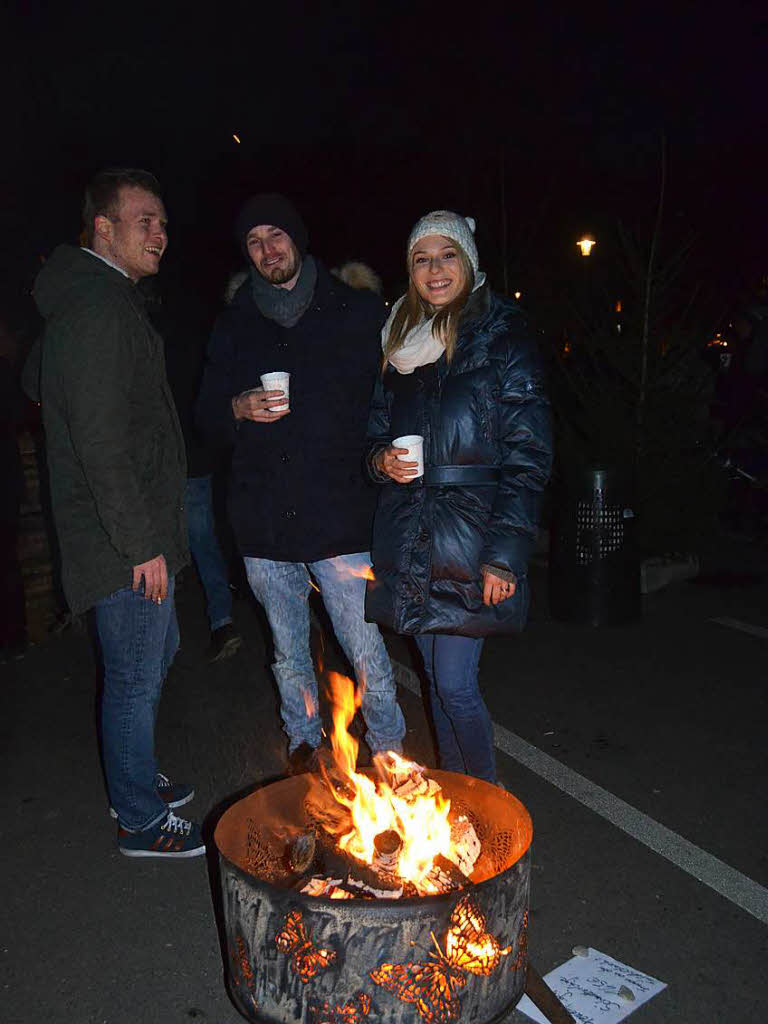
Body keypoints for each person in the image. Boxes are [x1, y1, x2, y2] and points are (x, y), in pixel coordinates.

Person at [26, 169, 204, 857]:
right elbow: (100, 441)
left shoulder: (94, 301)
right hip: (119, 537)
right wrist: (139, 543)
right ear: (103, 227)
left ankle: (136, 775)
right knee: (133, 673)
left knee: (158, 651)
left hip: (128, 527)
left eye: (163, 222)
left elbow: (34, 377)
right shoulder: (98, 309)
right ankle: (138, 819)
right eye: (144, 221)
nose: (160, 234)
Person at [197, 193, 406, 772]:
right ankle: (305, 749)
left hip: (340, 514)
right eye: (254, 242)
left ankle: (392, 755)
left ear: (298, 238)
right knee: (288, 653)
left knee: (364, 648)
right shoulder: (234, 324)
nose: (267, 249)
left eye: (276, 235)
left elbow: (393, 399)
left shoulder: (356, 312)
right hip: (263, 522)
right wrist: (235, 407)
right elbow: (204, 416)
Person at [365, 210, 552, 784]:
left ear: (468, 262)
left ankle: (492, 811)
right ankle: (456, 799)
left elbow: (528, 454)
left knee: (454, 685)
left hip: (470, 539)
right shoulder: (399, 341)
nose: (435, 269)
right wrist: (379, 461)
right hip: (409, 533)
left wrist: (505, 555)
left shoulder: (503, 337)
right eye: (422, 259)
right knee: (434, 683)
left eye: (447, 255)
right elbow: (374, 429)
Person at [142, 275, 242, 662]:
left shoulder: (151, 338)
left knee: (167, 543)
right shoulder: (194, 334)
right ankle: (221, 620)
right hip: (194, 455)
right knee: (200, 539)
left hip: (174, 457)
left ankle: (169, 637)